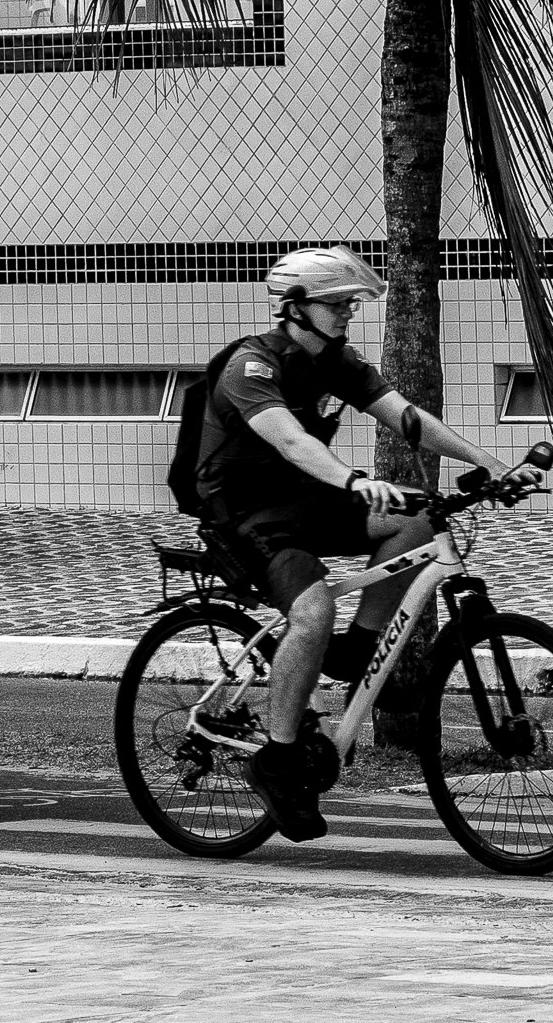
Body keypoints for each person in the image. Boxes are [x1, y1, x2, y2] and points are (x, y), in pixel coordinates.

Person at [193, 246, 519, 843]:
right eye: (336, 303)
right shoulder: (252, 367)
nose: (347, 313)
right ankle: (277, 759)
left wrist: (487, 462)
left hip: (308, 498)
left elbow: (407, 417)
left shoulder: (337, 361)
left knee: (417, 524)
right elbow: (291, 443)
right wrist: (356, 481)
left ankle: (356, 649)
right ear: (295, 308)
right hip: (249, 512)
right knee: (313, 611)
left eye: (351, 303)